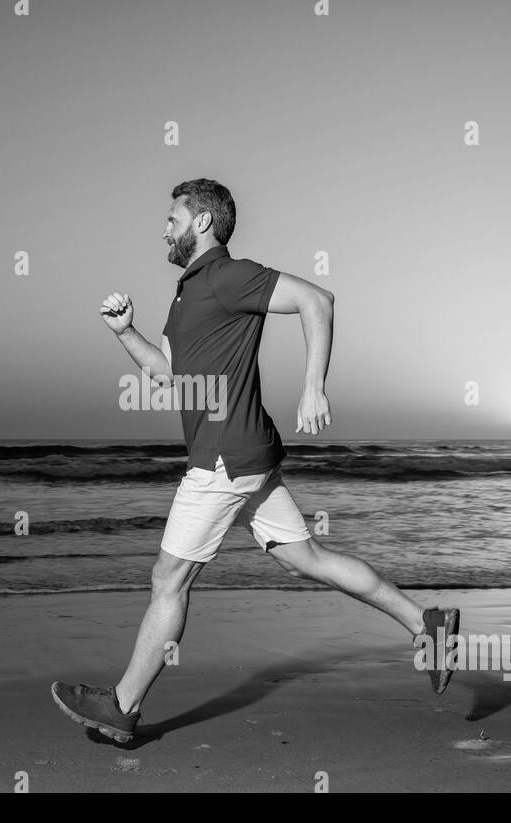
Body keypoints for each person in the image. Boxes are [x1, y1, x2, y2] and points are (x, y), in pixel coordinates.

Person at [51, 178, 459, 743]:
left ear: (201, 223)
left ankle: (124, 706)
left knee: (168, 579)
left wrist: (314, 386)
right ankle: (426, 624)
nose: (164, 227)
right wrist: (125, 333)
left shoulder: (226, 274)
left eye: (173, 217)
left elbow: (318, 300)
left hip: (224, 459)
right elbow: (166, 373)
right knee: (308, 557)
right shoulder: (189, 290)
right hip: (249, 456)